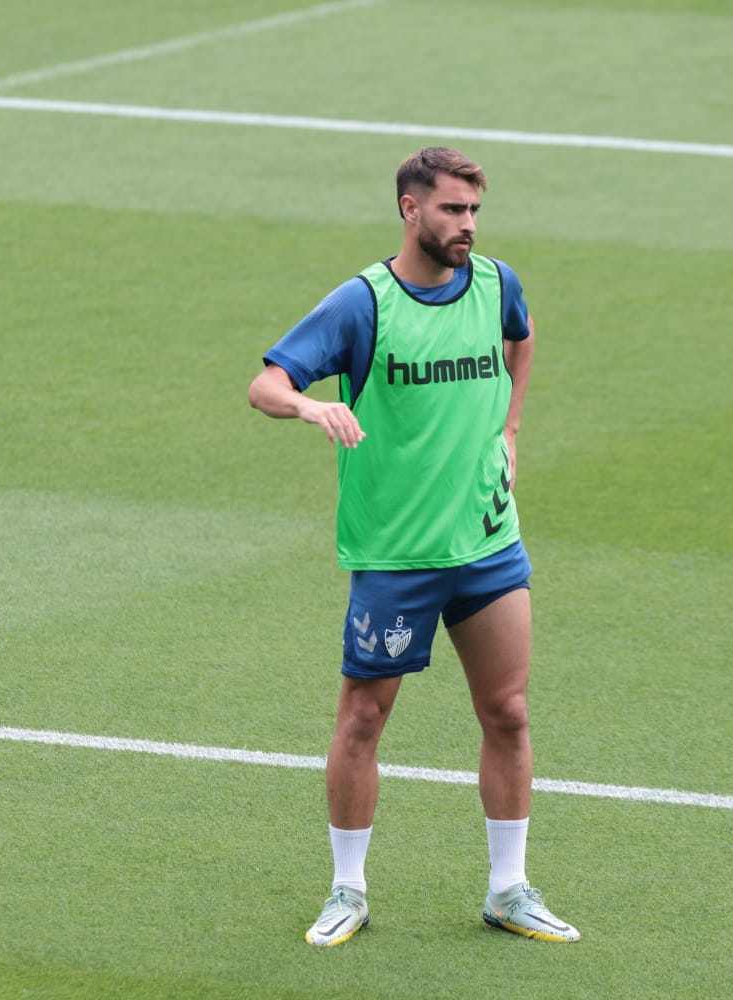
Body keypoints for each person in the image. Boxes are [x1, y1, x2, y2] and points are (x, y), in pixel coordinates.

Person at [247, 147, 580, 947]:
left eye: (474, 211)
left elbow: (522, 336)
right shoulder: (364, 304)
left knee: (508, 712)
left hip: (488, 544)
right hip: (396, 557)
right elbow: (266, 384)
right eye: (453, 210)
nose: (468, 225)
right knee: (363, 718)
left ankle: (508, 890)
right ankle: (348, 890)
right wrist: (311, 408)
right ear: (410, 209)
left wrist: (511, 427)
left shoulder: (497, 284)